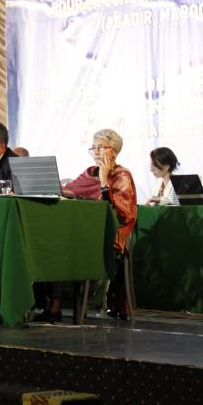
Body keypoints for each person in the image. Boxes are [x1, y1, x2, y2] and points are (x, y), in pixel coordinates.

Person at [35, 128, 137, 322]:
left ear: (114, 151)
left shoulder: (122, 175)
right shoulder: (90, 173)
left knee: (68, 246)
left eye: (101, 147)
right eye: (93, 147)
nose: (96, 152)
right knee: (52, 244)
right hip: (85, 230)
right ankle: (52, 306)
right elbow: (70, 191)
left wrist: (104, 180)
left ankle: (63, 306)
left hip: (110, 235)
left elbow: (119, 213)